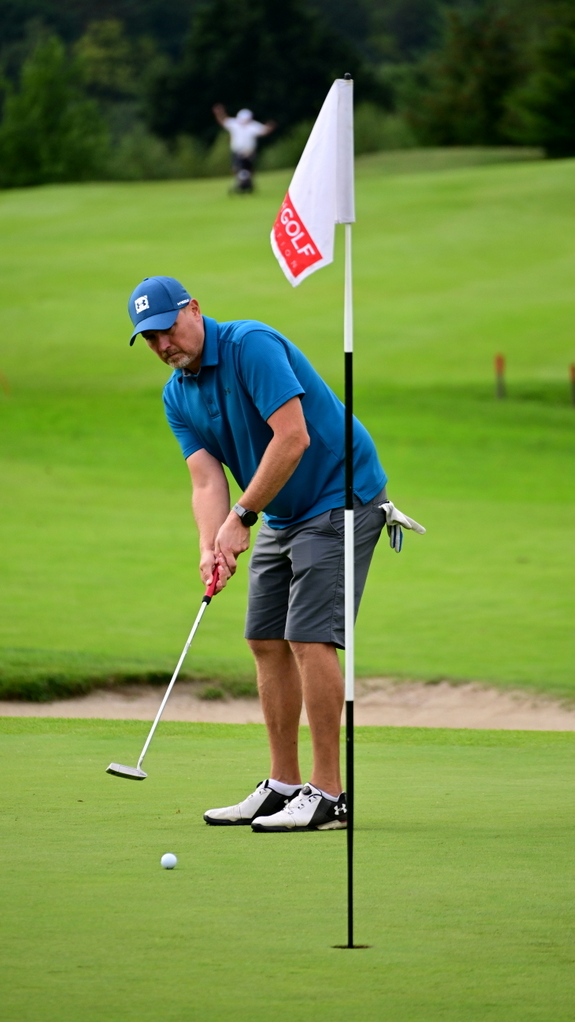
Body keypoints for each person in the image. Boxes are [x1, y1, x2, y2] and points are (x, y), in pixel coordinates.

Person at [127, 275, 388, 833]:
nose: (163, 345)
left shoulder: (251, 346)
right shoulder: (177, 394)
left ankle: (329, 795)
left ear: (194, 310)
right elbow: (205, 480)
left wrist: (243, 517)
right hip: (281, 508)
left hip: (340, 495)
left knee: (308, 638)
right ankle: (283, 785)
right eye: (149, 339)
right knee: (265, 639)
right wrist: (211, 543)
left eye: (167, 329)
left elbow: (293, 437)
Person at [212, 104, 275, 193]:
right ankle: (239, 184)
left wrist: (270, 126)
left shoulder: (253, 126)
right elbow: (223, 121)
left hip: (249, 152)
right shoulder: (234, 124)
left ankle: (248, 185)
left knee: (249, 170)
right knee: (236, 169)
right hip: (236, 151)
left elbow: (264, 131)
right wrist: (219, 113)